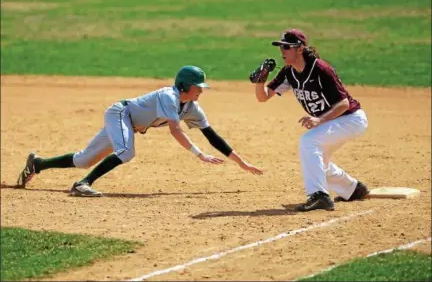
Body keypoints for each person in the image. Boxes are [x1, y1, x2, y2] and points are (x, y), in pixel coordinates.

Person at [17, 65, 263, 197]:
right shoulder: (169, 96)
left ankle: (37, 164)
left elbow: (212, 136)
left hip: (127, 123)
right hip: (120, 114)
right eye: (198, 86)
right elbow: (175, 131)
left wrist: (241, 163)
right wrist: (199, 155)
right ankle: (82, 184)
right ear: (186, 86)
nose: (202, 90)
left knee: (83, 159)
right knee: (126, 152)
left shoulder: (193, 108)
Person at [250, 29, 369, 212]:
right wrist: (260, 81)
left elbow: (344, 104)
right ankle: (352, 189)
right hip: (332, 122)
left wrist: (318, 120)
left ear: (299, 49)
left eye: (287, 47)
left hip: (350, 119)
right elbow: (263, 97)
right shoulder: (289, 72)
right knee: (318, 162)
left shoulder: (321, 69)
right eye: (281, 46)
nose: (282, 51)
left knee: (309, 141)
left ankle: (319, 195)